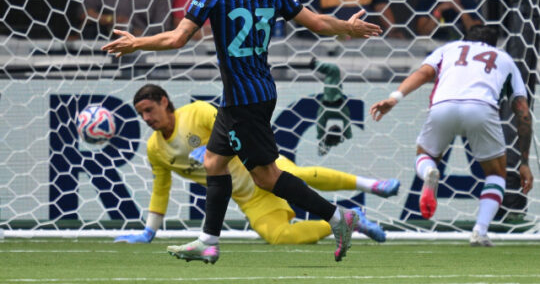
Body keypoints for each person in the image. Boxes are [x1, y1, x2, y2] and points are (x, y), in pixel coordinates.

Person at [102, 0, 382, 264]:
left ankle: (339, 218)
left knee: (267, 177)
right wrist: (348, 26)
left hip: (244, 100)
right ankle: (208, 241)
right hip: (253, 92)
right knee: (213, 161)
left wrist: (137, 43)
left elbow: (177, 38)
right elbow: (319, 23)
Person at [114, 84, 400, 246]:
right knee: (277, 236)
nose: (147, 118)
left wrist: (213, 150)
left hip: (258, 167)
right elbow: (161, 189)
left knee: (297, 174)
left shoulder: (197, 112)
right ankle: (352, 221)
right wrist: (149, 231)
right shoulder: (155, 149)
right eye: (141, 114)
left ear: (165, 102)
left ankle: (372, 185)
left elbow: (233, 129)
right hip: (249, 197)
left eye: (149, 110)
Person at [369, 25, 533, 246]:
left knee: (424, 155)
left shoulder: (450, 48)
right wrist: (524, 162)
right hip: (481, 108)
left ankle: (429, 171)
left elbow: (423, 73)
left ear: (465, 39)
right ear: (494, 44)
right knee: (496, 174)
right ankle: (480, 231)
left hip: (443, 105)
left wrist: (394, 98)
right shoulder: (504, 58)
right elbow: (523, 112)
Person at [309, 57, 352, 156]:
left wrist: (347, 135)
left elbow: (347, 129)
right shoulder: (326, 115)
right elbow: (320, 126)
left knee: (333, 70)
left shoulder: (341, 113)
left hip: (332, 98)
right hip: (332, 100)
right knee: (334, 72)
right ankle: (315, 65)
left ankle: (315, 64)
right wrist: (321, 137)